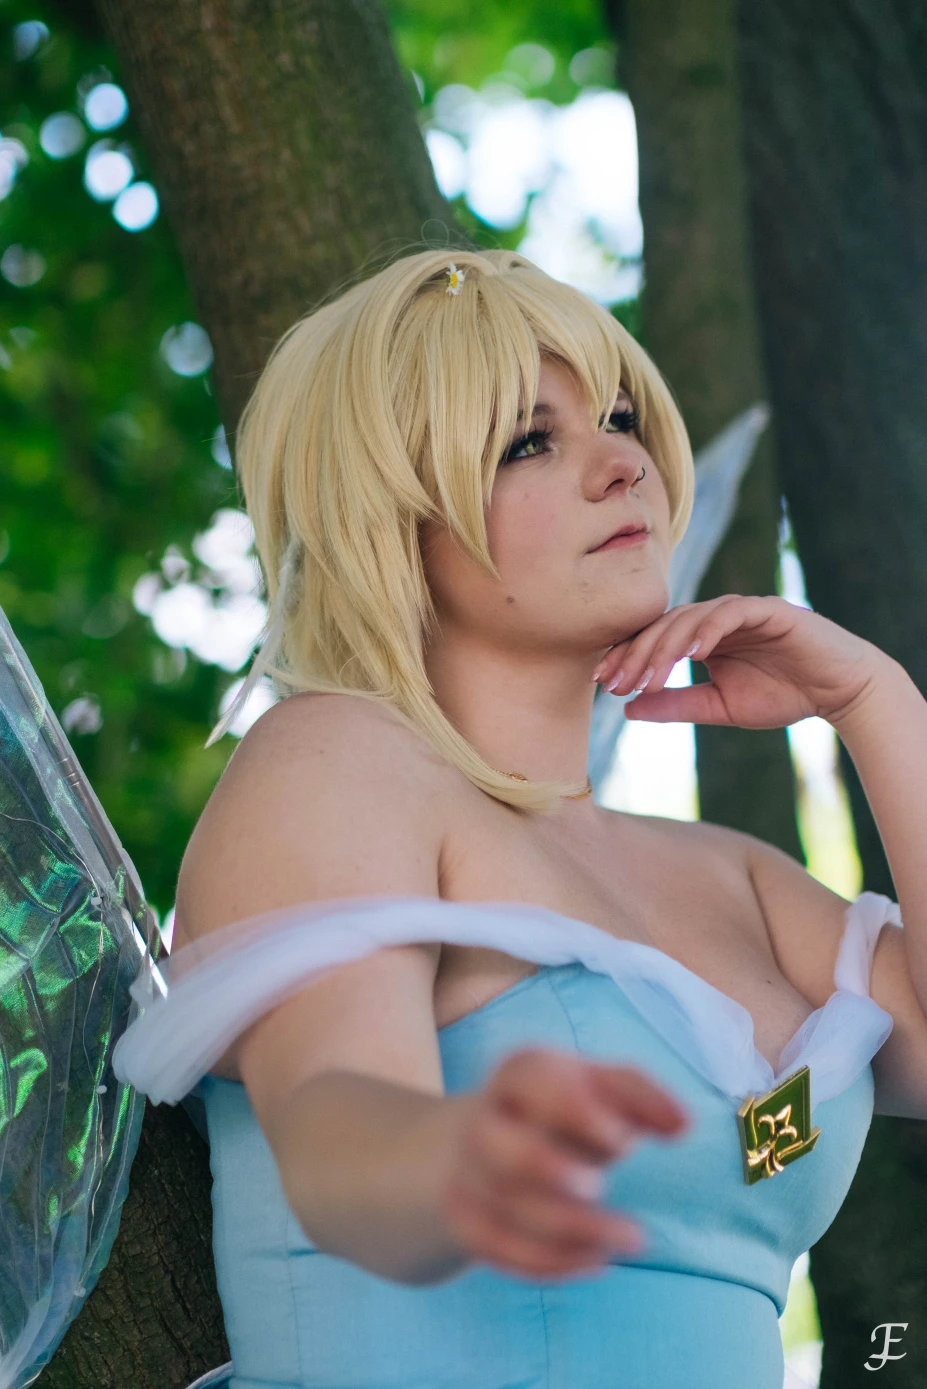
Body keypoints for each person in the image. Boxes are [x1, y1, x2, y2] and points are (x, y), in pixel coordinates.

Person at [112, 247, 927, 1389]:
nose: (623, 465)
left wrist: (878, 703)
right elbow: (339, 1135)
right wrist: (455, 1155)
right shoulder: (335, 760)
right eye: (527, 442)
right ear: (391, 520)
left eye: (622, 419)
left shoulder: (737, 876)